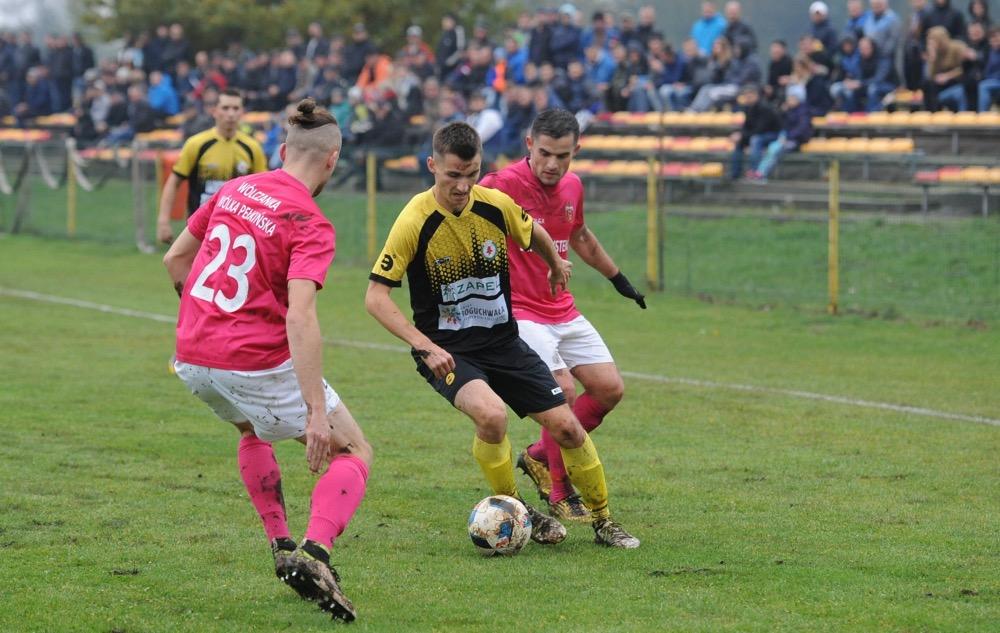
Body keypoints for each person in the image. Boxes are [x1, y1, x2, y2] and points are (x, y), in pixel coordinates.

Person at [365, 121, 640, 548]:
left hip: (504, 342)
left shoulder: (495, 204)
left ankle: (604, 521)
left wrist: (554, 264)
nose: (462, 186)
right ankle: (519, 509)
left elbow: (534, 231)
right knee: (492, 417)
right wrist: (424, 346)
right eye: (452, 175)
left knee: (567, 428)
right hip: (449, 350)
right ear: (432, 165)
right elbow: (376, 297)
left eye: (471, 174)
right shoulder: (414, 220)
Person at [163, 99, 371, 622]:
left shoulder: (235, 189)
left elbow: (175, 259)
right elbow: (300, 316)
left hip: (191, 354)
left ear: (281, 151)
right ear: (332, 160)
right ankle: (315, 554)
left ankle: (281, 545)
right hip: (250, 361)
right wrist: (316, 411)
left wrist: (202, 319)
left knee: (251, 430)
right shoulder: (310, 222)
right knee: (354, 450)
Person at [477, 109, 647, 521]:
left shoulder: (573, 186)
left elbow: (580, 236)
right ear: (529, 145)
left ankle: (539, 455)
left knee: (609, 390)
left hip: (562, 308)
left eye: (563, 156)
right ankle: (560, 490)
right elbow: (460, 215)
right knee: (563, 392)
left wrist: (617, 278)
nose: (553, 164)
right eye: (546, 153)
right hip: (520, 311)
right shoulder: (500, 185)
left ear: (576, 151)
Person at [156, 89, 267, 244]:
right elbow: (174, 181)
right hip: (199, 229)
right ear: (214, 111)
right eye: (225, 108)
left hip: (238, 231)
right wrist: (163, 220)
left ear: (242, 112)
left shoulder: (253, 148)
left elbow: (263, 192)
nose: (231, 114)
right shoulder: (196, 144)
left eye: (236, 108)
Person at [749, 83, 812, 181]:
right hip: (783, 137)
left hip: (796, 140)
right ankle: (756, 171)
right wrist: (782, 112)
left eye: (792, 98)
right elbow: (780, 125)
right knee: (765, 145)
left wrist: (788, 137)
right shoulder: (788, 110)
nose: (789, 100)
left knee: (774, 149)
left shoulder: (804, 112)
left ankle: (761, 173)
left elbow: (801, 129)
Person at [730, 84, 782, 179]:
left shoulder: (765, 107)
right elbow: (746, 126)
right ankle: (735, 173)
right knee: (740, 143)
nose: (747, 97)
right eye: (746, 95)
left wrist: (743, 135)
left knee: (755, 140)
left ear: (756, 95)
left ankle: (754, 170)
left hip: (772, 134)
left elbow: (760, 129)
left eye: (750, 95)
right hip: (756, 134)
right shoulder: (749, 108)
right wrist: (740, 134)